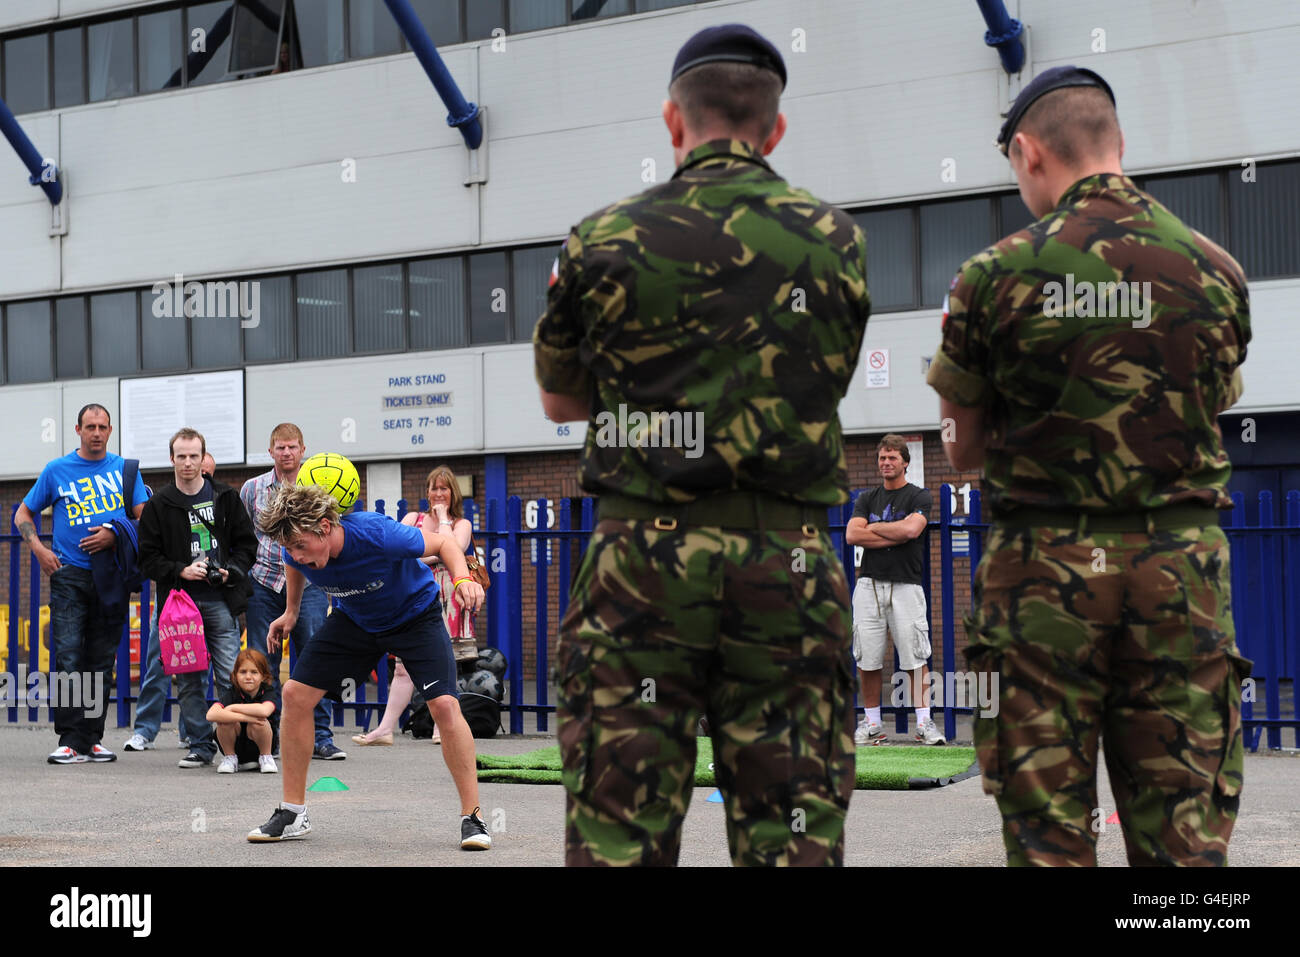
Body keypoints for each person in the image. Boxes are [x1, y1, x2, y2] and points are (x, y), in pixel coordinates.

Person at [534, 23, 870, 866]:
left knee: (620, 826)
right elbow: (824, 381)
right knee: (792, 830)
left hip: (640, 562)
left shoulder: (601, 239)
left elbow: (558, 399)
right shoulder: (835, 241)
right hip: (785, 560)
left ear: (672, 122)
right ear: (776, 129)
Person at [926, 66, 1251, 866]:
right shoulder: (1215, 270)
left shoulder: (993, 277)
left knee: (1046, 831)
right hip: (1180, 576)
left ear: (1031, 153)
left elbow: (962, 449)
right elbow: (1210, 408)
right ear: (1119, 143)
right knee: (1186, 836)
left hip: (1042, 581)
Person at [245, 484, 490, 848]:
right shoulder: (295, 551)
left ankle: (473, 818)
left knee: (443, 705)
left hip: (414, 616)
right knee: (295, 694)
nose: (296, 554)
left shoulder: (377, 533)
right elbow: (291, 564)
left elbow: (443, 544)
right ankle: (293, 812)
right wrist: (291, 612)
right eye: (289, 547)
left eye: (301, 545)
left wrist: (463, 579)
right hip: (357, 621)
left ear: (326, 527)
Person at [16, 403, 148, 764]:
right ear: (77, 430)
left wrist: (113, 533)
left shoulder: (125, 470)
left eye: (103, 427)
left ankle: (91, 739)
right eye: (90, 426)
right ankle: (69, 739)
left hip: (112, 575)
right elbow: (22, 513)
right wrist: (40, 551)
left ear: (110, 430)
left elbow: (147, 521)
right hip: (69, 575)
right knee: (70, 656)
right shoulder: (57, 470)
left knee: (101, 660)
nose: (96, 433)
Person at [138, 428, 257, 770]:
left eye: (194, 456)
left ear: (204, 458)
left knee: (230, 677)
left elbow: (247, 546)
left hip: (220, 600)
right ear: (171, 459)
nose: (188, 462)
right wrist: (181, 571)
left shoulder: (225, 497)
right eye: (181, 456)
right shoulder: (159, 504)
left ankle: (239, 748)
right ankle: (201, 746)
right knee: (189, 680)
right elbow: (147, 559)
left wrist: (230, 572)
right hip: (180, 607)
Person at [240, 424, 345, 761]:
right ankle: (264, 738)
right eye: (280, 448)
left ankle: (321, 738)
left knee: (317, 655)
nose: (286, 453)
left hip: (310, 583)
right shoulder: (252, 489)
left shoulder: (318, 487)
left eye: (292, 447)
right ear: (270, 451)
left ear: (303, 450)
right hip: (264, 584)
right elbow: (243, 536)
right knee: (260, 660)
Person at [353, 465, 476, 747]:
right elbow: (397, 555)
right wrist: (434, 555)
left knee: (446, 662)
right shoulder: (412, 518)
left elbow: (452, 550)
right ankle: (385, 729)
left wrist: (443, 521)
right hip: (412, 596)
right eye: (434, 488)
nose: (438, 493)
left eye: (444, 488)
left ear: (452, 492)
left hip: (447, 597)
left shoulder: (461, 523)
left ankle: (440, 726)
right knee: (401, 668)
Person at [845, 435, 943, 746]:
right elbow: (851, 535)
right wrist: (894, 534)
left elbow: (913, 530)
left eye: (892, 458)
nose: (886, 463)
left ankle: (924, 723)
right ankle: (872, 724)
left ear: (905, 462)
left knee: (915, 655)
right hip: (869, 584)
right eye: (882, 458)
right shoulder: (866, 499)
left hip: (906, 584)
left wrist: (872, 530)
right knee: (867, 657)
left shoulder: (919, 496)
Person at [208, 648, 278, 774]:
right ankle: (230, 758)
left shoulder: (267, 691)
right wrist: (246, 718)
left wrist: (233, 708)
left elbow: (264, 711)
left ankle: (266, 758)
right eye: (243, 672)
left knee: (260, 721)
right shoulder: (233, 692)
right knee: (224, 722)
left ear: (263, 676)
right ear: (235, 675)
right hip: (237, 745)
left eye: (254, 672)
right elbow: (211, 714)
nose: (248, 677)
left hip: (259, 745)